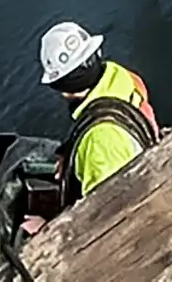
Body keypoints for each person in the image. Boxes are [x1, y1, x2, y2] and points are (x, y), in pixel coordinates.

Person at [38, 21, 160, 204]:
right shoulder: (124, 79)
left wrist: (44, 228)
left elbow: (104, 214)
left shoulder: (100, 141)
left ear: (63, 88)